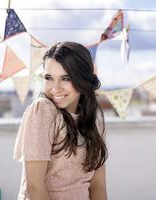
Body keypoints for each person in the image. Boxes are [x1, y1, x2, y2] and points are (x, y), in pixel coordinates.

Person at [13, 41, 108, 200]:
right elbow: (34, 187)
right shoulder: (43, 111)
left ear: (82, 80)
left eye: (65, 78)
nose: (55, 88)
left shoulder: (92, 120)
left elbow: (98, 186)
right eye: (49, 78)